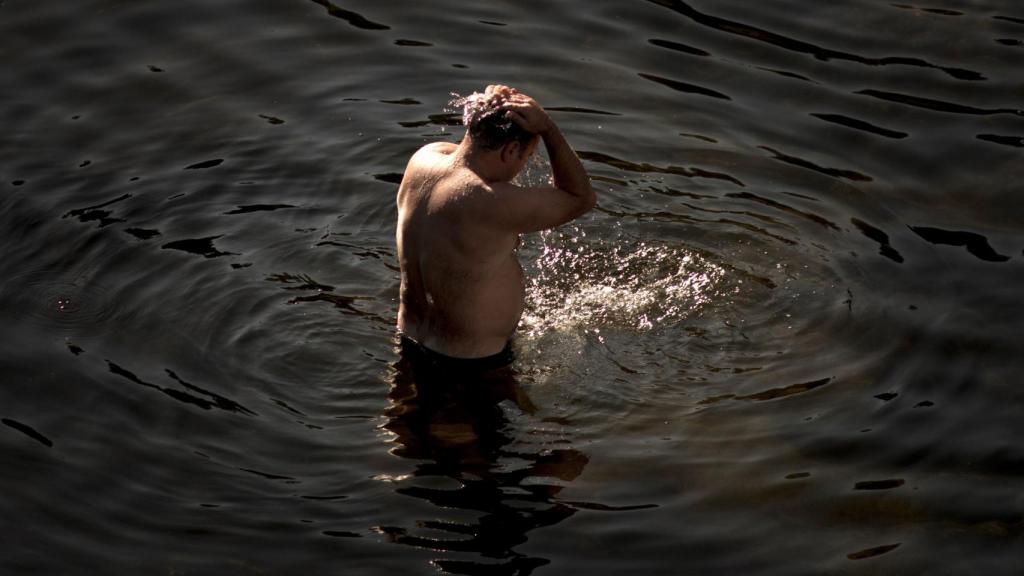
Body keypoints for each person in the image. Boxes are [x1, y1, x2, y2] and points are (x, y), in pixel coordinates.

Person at [396, 84, 594, 366]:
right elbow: (581, 198)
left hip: (410, 336)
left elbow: (472, 153)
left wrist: (490, 106)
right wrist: (548, 128)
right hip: (469, 363)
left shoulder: (424, 159)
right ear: (511, 149)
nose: (521, 169)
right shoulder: (489, 200)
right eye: (525, 158)